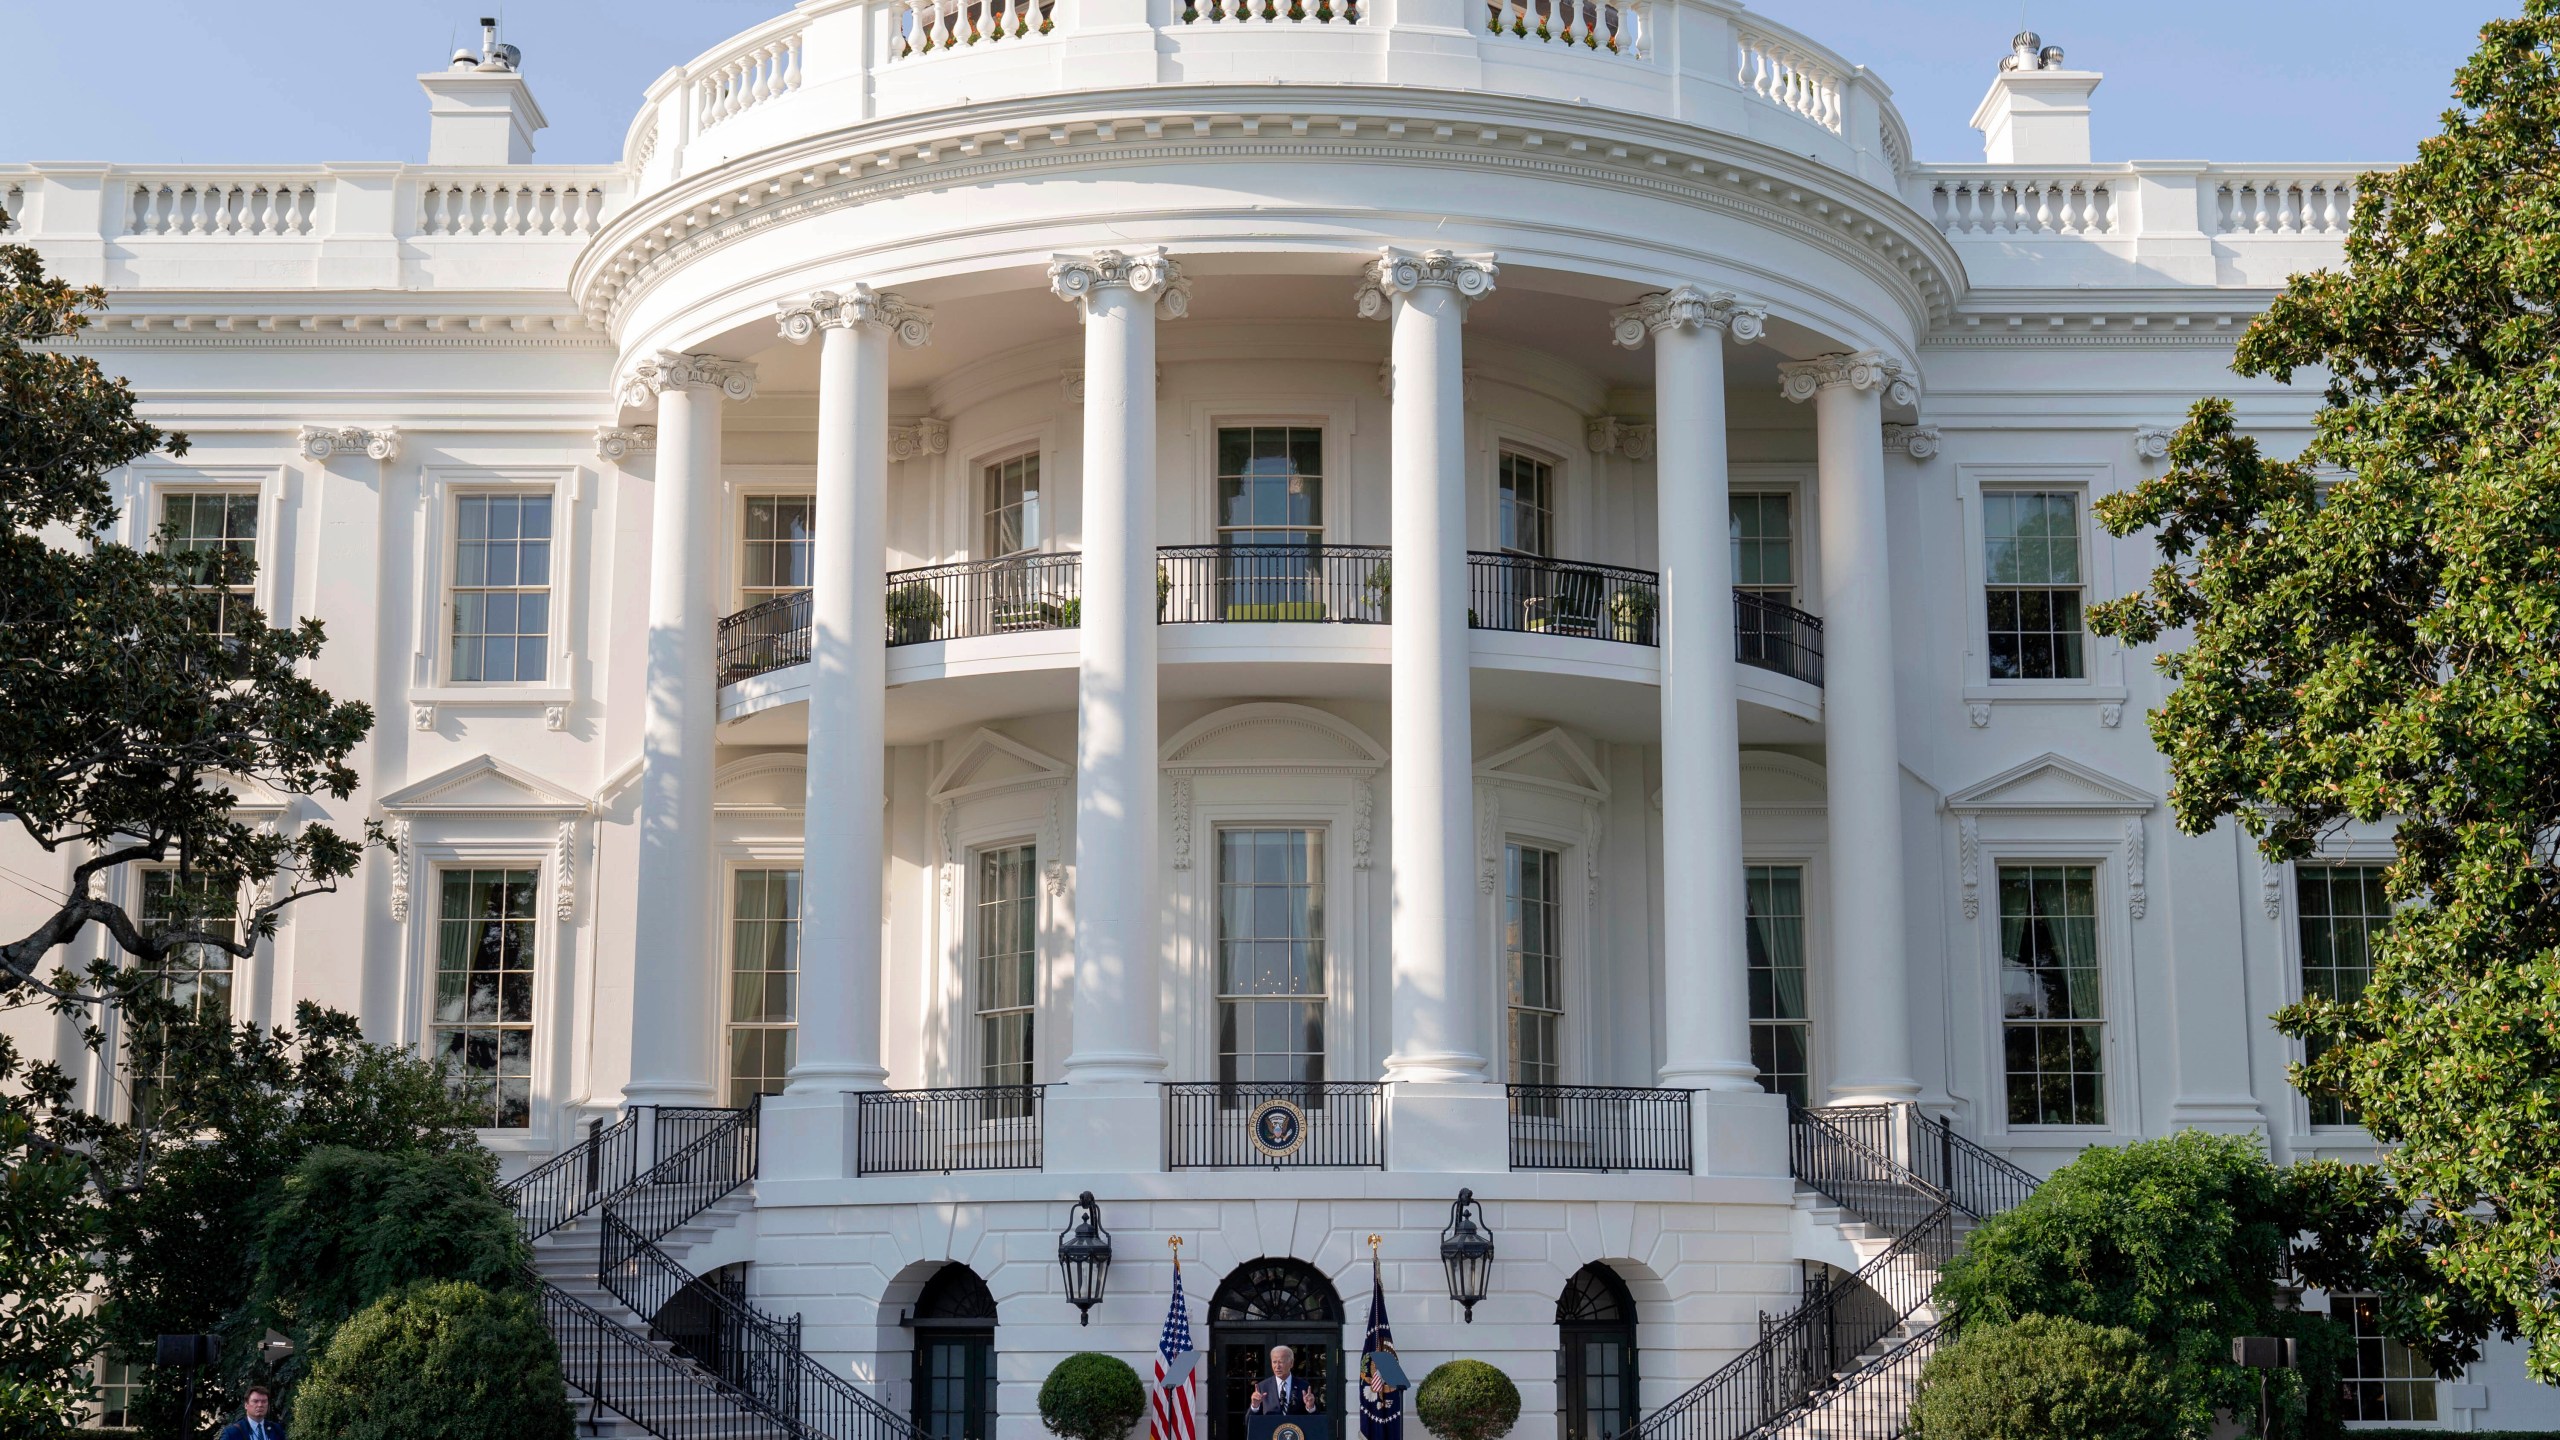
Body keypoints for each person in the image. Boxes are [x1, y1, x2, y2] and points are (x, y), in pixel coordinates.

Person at [1249, 1345, 1321, 1416]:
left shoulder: (1303, 1386)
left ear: (1291, 1363)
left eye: (1281, 1362)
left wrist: (1310, 1407)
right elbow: (1248, 1422)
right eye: (1274, 1362)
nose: (1277, 1366)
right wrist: (1255, 1407)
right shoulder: (1262, 1387)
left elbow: (1317, 1421)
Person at [218, 1385, 285, 1440]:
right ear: (246, 1405)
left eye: (264, 1401)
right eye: (255, 1401)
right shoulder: (232, 1432)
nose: (260, 1405)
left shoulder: (276, 1429)